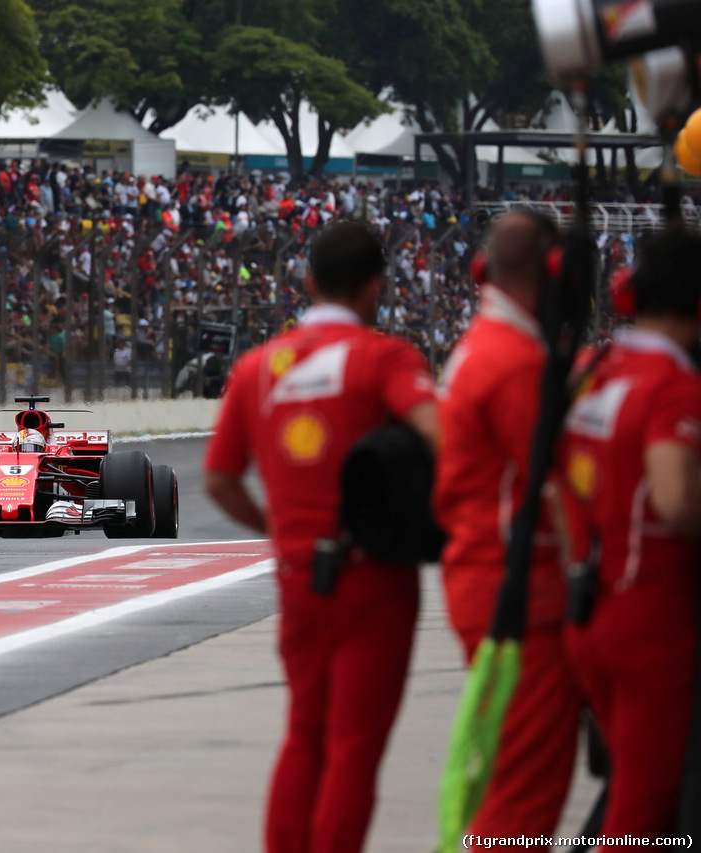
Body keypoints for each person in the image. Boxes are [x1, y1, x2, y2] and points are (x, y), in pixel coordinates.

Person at [203, 221, 437, 853]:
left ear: (308, 282)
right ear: (376, 289)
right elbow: (439, 431)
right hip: (375, 576)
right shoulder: (383, 358)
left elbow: (219, 478)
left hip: (300, 575)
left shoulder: (256, 367)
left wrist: (277, 529)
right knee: (354, 747)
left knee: (304, 733)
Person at [432, 211, 580, 845]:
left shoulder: (482, 346)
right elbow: (558, 490)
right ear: (552, 271)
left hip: (487, 577)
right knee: (525, 794)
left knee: (509, 779)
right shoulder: (515, 361)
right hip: (521, 593)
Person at [558, 225, 701, 840]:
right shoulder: (675, 389)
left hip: (588, 605)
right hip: (652, 619)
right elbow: (674, 499)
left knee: (627, 795)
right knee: (645, 807)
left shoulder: (590, 370)